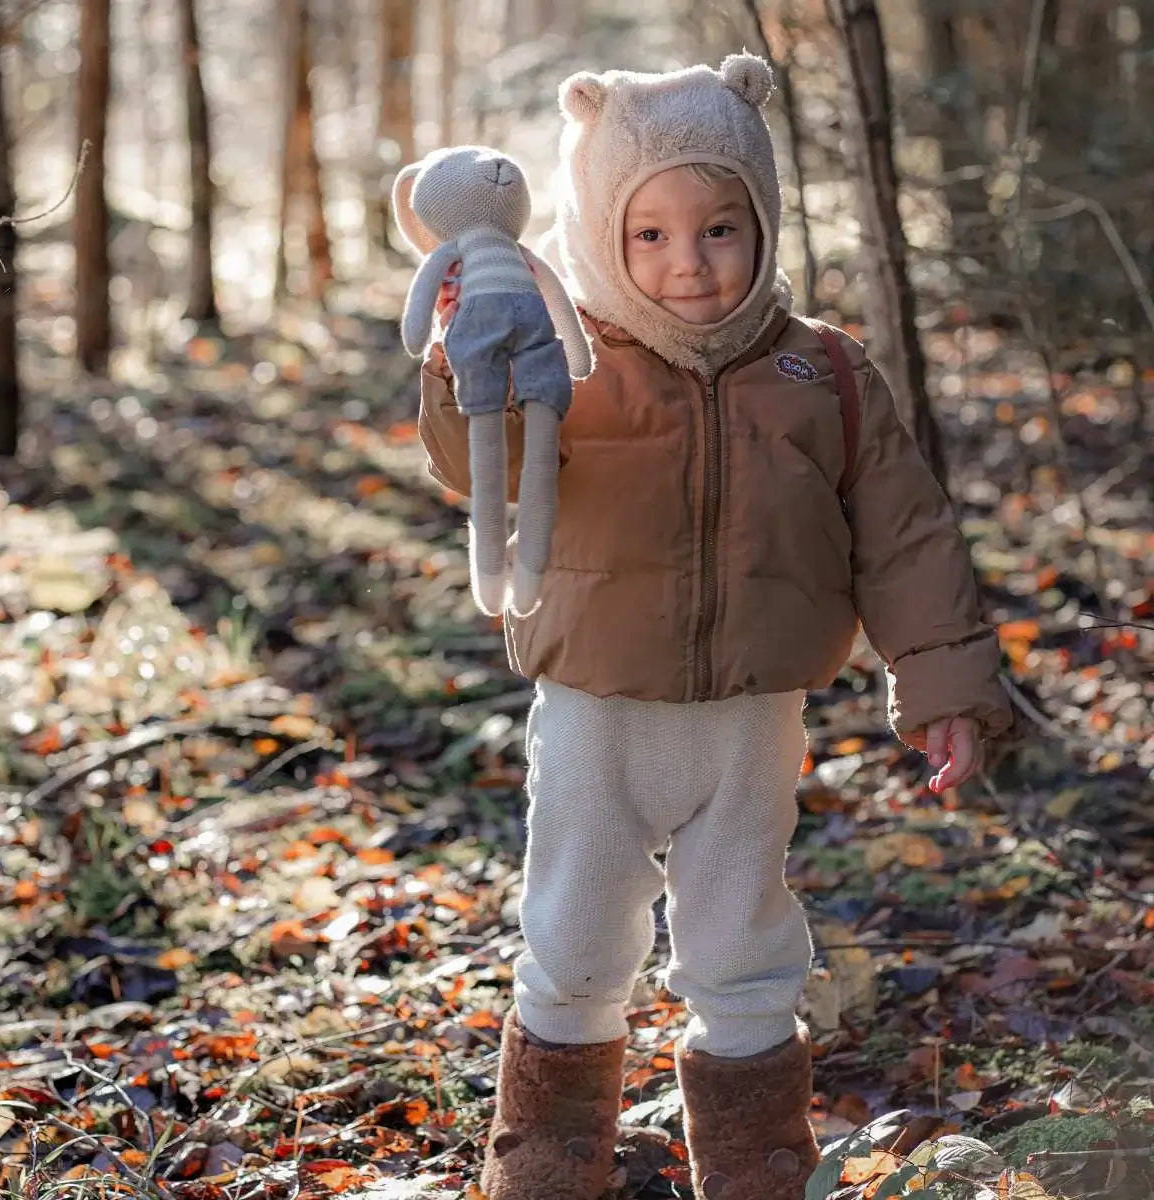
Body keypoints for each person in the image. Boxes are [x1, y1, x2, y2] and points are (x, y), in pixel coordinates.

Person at [415, 55, 1012, 1200]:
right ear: (604, 234)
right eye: (650, 235)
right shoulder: (567, 359)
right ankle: (545, 1161)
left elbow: (905, 538)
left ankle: (757, 1164)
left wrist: (945, 687)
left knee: (745, 943)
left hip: (753, 720)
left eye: (720, 229)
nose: (688, 261)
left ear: (764, 222)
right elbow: (472, 464)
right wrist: (462, 364)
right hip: (596, 714)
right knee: (576, 935)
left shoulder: (822, 372)